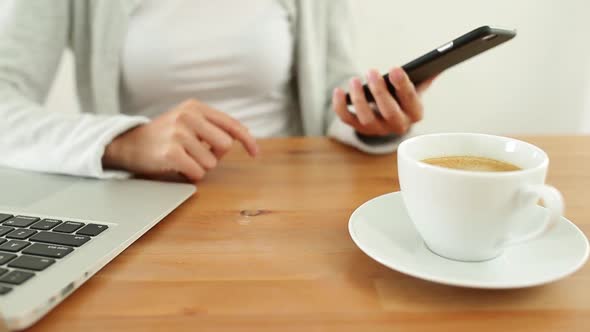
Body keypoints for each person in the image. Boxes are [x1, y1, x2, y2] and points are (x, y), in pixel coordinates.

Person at [0, 0, 433, 182]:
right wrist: (120, 143)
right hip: (145, 207)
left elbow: (329, 93)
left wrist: (368, 121)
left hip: (295, 199)